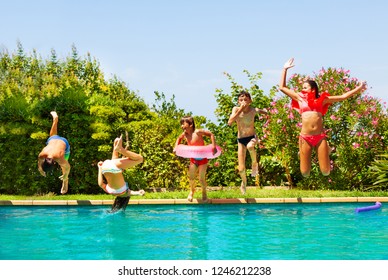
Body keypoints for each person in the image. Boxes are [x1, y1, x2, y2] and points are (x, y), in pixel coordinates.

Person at [279, 57, 366, 177]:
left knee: (326, 172)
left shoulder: (323, 100)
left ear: (313, 89)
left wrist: (359, 88)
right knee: (305, 173)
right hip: (305, 137)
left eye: (305, 87)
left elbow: (343, 96)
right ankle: (304, 151)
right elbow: (282, 88)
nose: (302, 89)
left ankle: (327, 149)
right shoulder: (299, 98)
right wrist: (285, 69)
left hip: (320, 136)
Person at [228, 91, 267, 194]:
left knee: (250, 146)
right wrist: (240, 109)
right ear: (238, 101)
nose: (243, 102)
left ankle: (254, 163)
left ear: (250, 101)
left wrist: (270, 115)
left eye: (246, 100)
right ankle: (244, 183)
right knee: (241, 169)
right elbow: (230, 122)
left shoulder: (253, 110)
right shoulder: (236, 109)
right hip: (241, 140)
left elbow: (266, 112)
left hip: (252, 137)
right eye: (241, 100)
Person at [174, 116, 217, 203]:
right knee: (191, 177)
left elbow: (211, 134)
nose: (182, 126)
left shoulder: (198, 132)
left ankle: (204, 193)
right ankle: (192, 191)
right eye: (181, 124)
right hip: (193, 159)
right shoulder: (185, 134)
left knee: (201, 178)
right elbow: (179, 139)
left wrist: (213, 146)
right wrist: (176, 147)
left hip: (203, 159)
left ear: (191, 124)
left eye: (183, 124)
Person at [98, 135, 145, 213]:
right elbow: (100, 184)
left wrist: (139, 193)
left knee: (140, 159)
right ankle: (115, 146)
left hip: (114, 168)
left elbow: (131, 192)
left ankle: (120, 149)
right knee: (115, 161)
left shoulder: (125, 193)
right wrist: (99, 168)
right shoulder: (111, 192)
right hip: (105, 167)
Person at [38, 111, 71, 194]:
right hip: (53, 140)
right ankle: (55, 119)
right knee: (52, 135)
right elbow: (39, 161)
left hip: (64, 145)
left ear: (55, 163)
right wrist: (40, 169)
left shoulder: (60, 158)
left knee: (63, 167)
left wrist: (66, 175)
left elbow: (67, 167)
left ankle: (65, 181)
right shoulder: (42, 154)